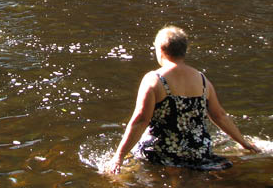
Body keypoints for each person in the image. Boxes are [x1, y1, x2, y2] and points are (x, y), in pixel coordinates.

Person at [107, 26, 259, 174]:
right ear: (184, 51)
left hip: (162, 153)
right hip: (198, 152)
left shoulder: (154, 80)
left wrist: (118, 157)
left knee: (124, 165)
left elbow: (141, 120)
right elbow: (219, 116)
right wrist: (243, 143)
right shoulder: (203, 80)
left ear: (161, 50)